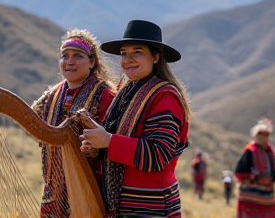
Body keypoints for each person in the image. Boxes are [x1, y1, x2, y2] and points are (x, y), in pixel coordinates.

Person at [78, 19, 191, 217]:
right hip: (124, 206)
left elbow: (158, 155)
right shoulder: (127, 92)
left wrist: (109, 141)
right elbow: (117, 144)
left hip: (151, 207)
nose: (127, 59)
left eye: (137, 52)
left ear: (156, 57)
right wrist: (98, 147)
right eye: (123, 54)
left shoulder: (165, 96)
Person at [31, 29, 116, 218]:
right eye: (64, 56)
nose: (69, 62)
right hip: (54, 190)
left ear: (92, 62)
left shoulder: (106, 96)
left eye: (78, 56)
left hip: (91, 189)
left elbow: (116, 139)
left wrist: (95, 150)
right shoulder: (52, 95)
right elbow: (34, 125)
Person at [235, 117, 275, 218]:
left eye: (266, 134)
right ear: (256, 135)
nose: (264, 136)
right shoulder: (250, 151)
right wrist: (253, 177)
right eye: (261, 133)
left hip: (268, 197)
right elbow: (240, 172)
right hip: (251, 197)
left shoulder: (271, 152)